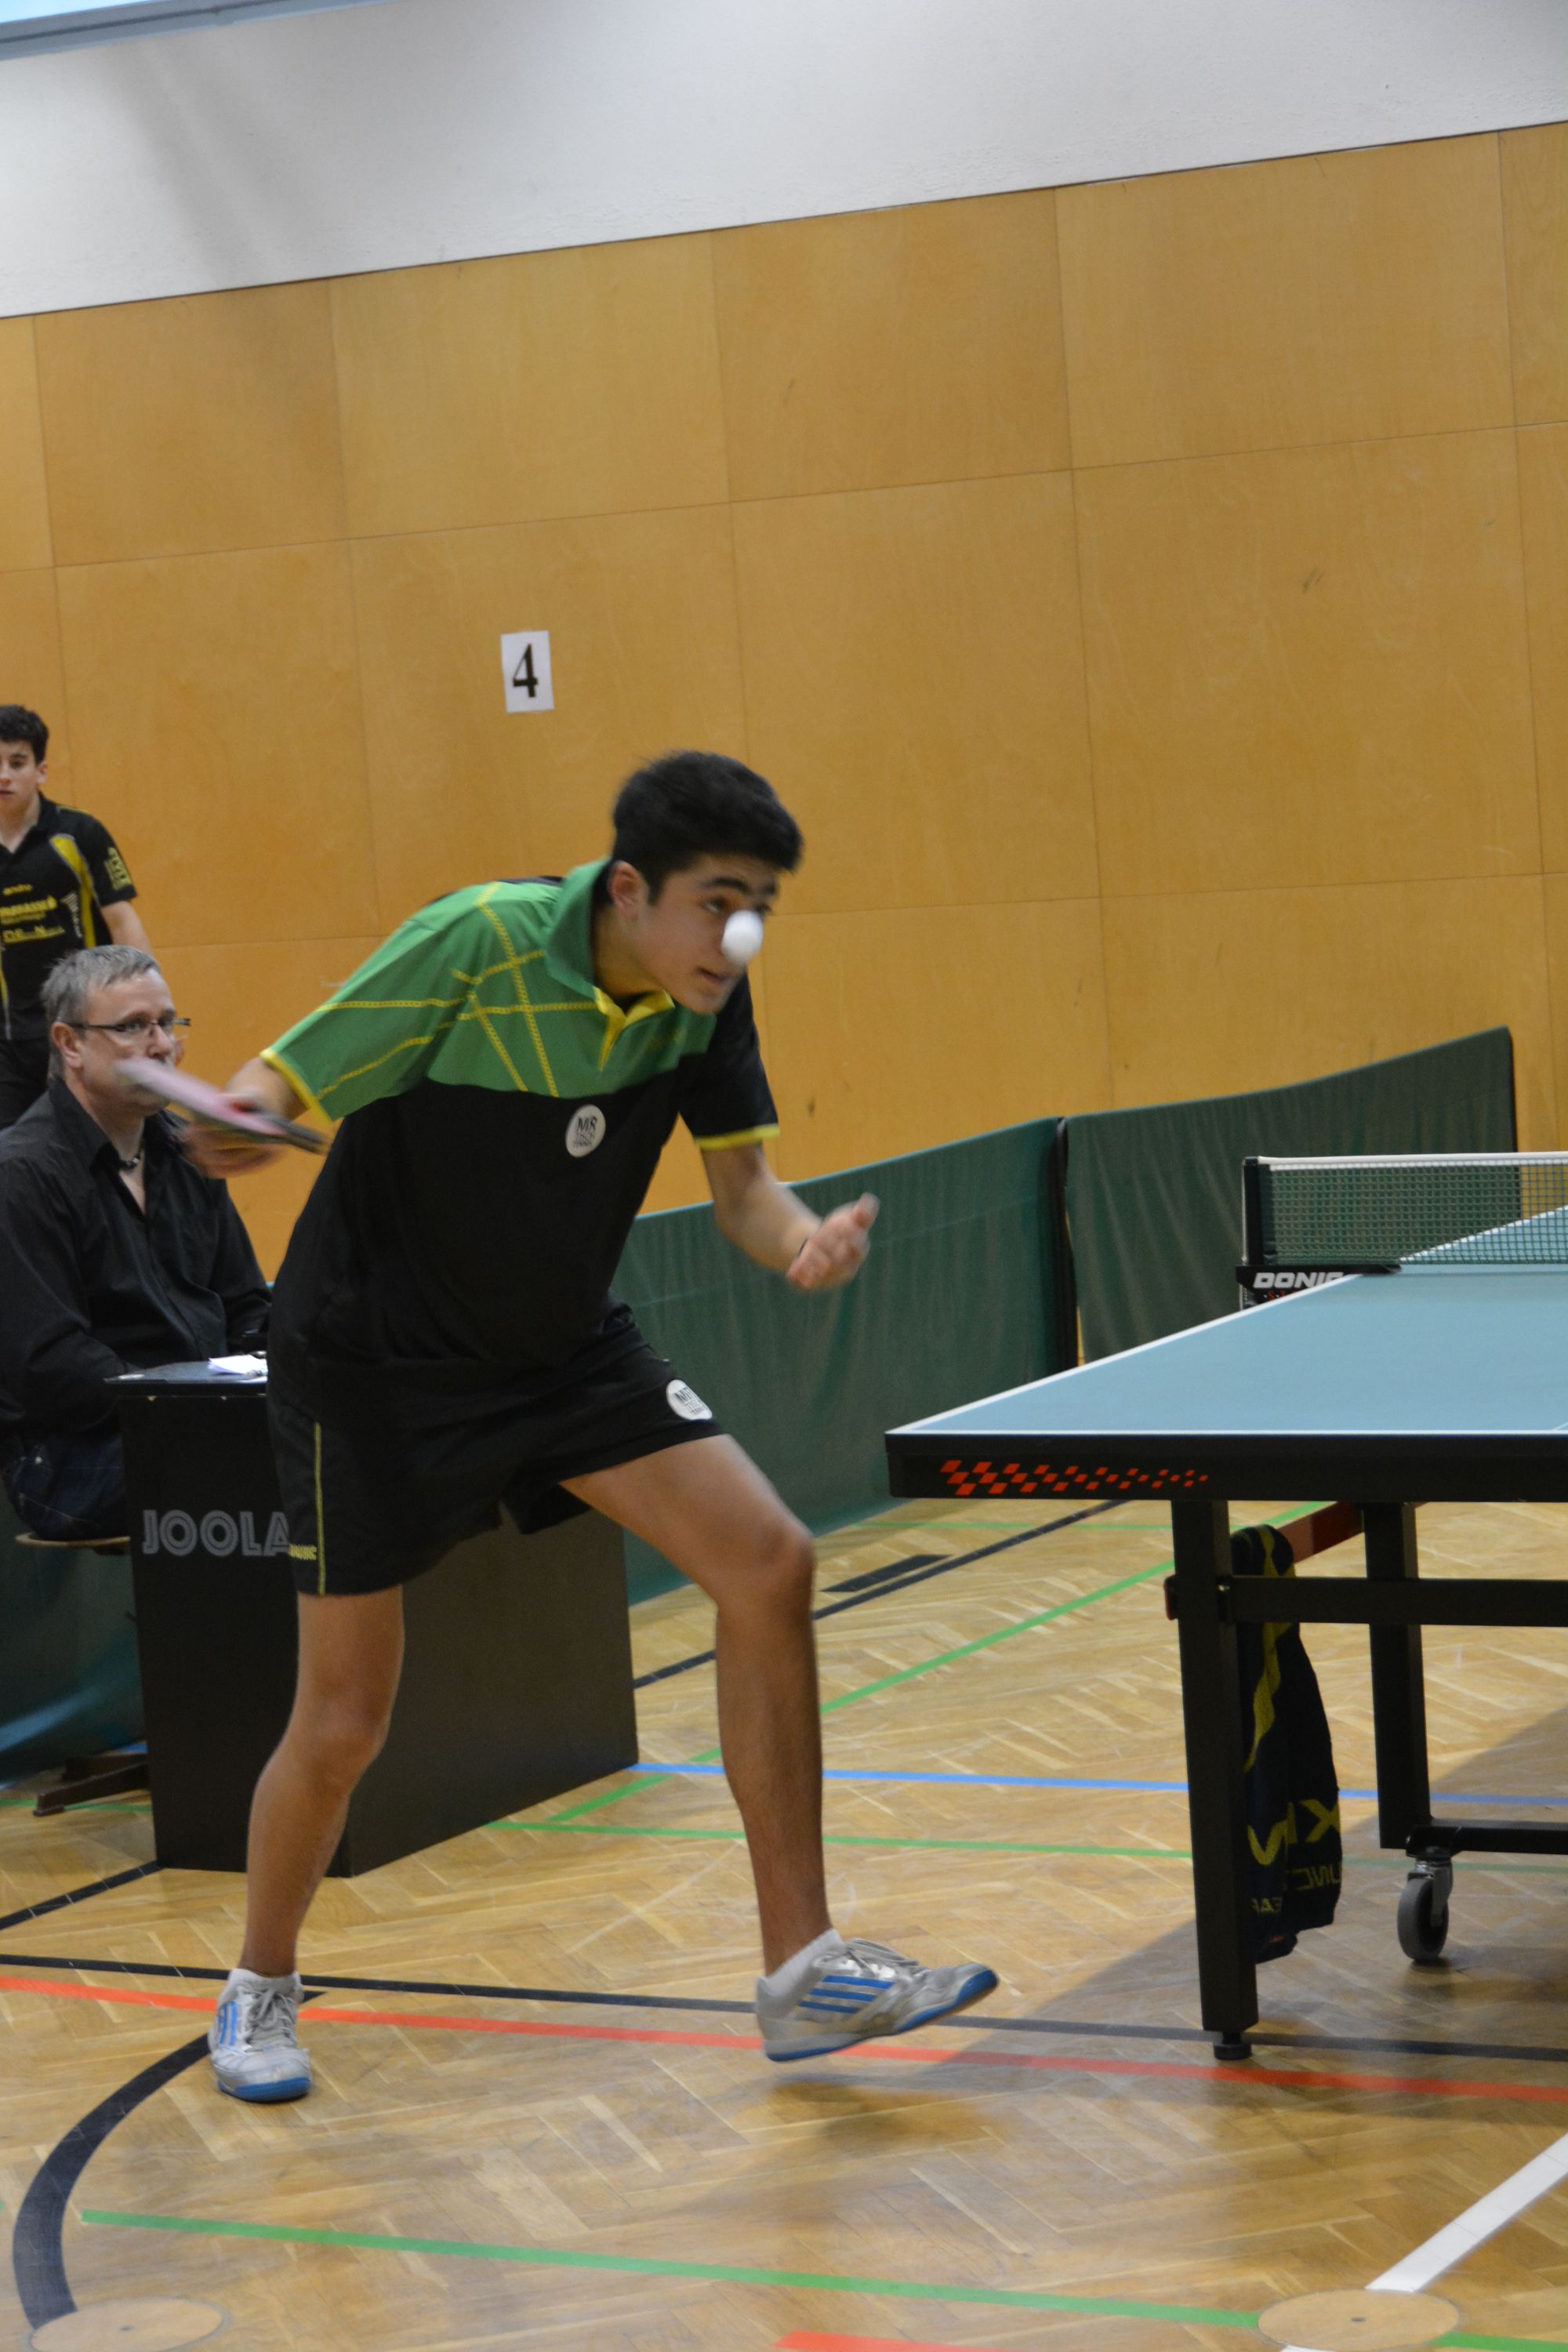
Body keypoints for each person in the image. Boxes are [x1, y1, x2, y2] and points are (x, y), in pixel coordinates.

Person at [188, 750, 997, 2103]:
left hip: (558, 1347)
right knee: (343, 1723)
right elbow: (281, 1081)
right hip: (372, 1367)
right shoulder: (479, 939)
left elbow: (744, 1192)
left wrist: (800, 1241)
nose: (738, 937)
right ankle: (259, 1983)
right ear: (630, 890)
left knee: (770, 1561)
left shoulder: (703, 996)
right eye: (717, 903)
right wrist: (238, 1123)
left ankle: (802, 1972)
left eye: (758, 909)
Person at [0, 946, 269, 1543]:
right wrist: (194, 1409)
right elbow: (51, 1365)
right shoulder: (22, 1173)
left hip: (196, 1420)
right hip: (68, 1455)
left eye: (167, 1023)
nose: (162, 1046)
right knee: (269, 1464)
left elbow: (246, 1305)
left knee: (337, 1438)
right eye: (132, 1028)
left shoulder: (189, 1150)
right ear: (70, 1044)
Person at [0, 706, 151, 1131]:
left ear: (41, 771)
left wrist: (149, 1018)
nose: (4, 776)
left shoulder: (79, 834)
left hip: (82, 1034)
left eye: (17, 763)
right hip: (8, 1043)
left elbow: (123, 923)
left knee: (86, 1148)